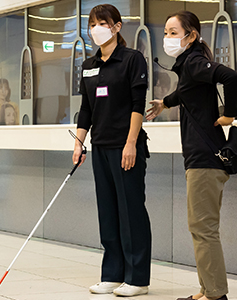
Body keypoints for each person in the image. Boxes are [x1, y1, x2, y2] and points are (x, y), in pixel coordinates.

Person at [146, 11, 237, 300]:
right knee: (200, 227)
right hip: (201, 157)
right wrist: (165, 102)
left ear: (192, 35)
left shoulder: (196, 61)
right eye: (166, 32)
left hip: (205, 158)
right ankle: (207, 289)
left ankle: (215, 294)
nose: (167, 38)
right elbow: (186, 92)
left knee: (203, 227)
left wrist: (230, 115)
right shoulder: (189, 65)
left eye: (174, 32)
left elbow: (231, 77)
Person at [71, 4, 151, 297]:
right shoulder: (89, 66)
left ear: (117, 26)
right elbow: (86, 109)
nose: (96, 29)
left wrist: (131, 144)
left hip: (125, 146)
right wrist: (79, 143)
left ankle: (138, 278)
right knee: (108, 212)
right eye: (92, 24)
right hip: (100, 147)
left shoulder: (132, 60)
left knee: (131, 212)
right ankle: (112, 274)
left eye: (102, 23)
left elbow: (137, 105)